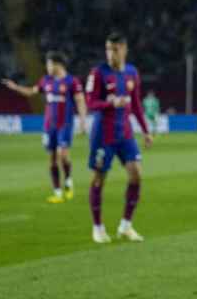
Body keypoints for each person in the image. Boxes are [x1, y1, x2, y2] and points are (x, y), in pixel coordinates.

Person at [85, 32, 153, 243]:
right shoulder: (97, 73)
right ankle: (97, 227)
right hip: (103, 135)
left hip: (125, 134)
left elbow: (136, 105)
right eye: (107, 49)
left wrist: (146, 130)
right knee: (99, 179)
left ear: (124, 49)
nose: (110, 54)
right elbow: (90, 103)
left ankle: (126, 226)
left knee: (136, 175)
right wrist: (110, 104)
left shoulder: (132, 73)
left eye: (114, 49)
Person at [1, 51, 87, 203]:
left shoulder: (72, 82)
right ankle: (57, 192)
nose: (47, 67)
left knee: (63, 155)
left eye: (48, 64)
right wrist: (15, 87)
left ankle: (68, 182)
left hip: (65, 125)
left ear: (57, 64)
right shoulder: (46, 80)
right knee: (52, 159)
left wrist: (82, 121)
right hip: (49, 126)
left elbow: (80, 100)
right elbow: (31, 92)